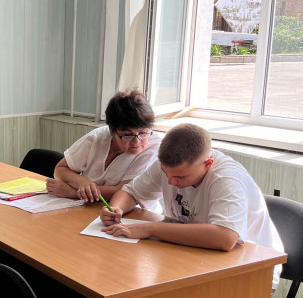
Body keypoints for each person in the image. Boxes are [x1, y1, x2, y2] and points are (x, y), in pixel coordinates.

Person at [100, 123, 283, 287]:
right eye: (165, 172)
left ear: (208, 164)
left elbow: (226, 237)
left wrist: (151, 229)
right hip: (196, 252)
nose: (171, 181)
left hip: (252, 270)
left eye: (180, 177)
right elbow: (130, 192)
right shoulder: (170, 167)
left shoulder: (226, 179)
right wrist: (116, 208)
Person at [47, 90, 160, 203]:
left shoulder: (154, 146)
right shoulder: (96, 138)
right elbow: (60, 169)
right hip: (90, 205)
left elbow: (123, 192)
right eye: (127, 135)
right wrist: (83, 182)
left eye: (143, 133)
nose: (136, 142)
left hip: (133, 210)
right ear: (112, 131)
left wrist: (72, 192)